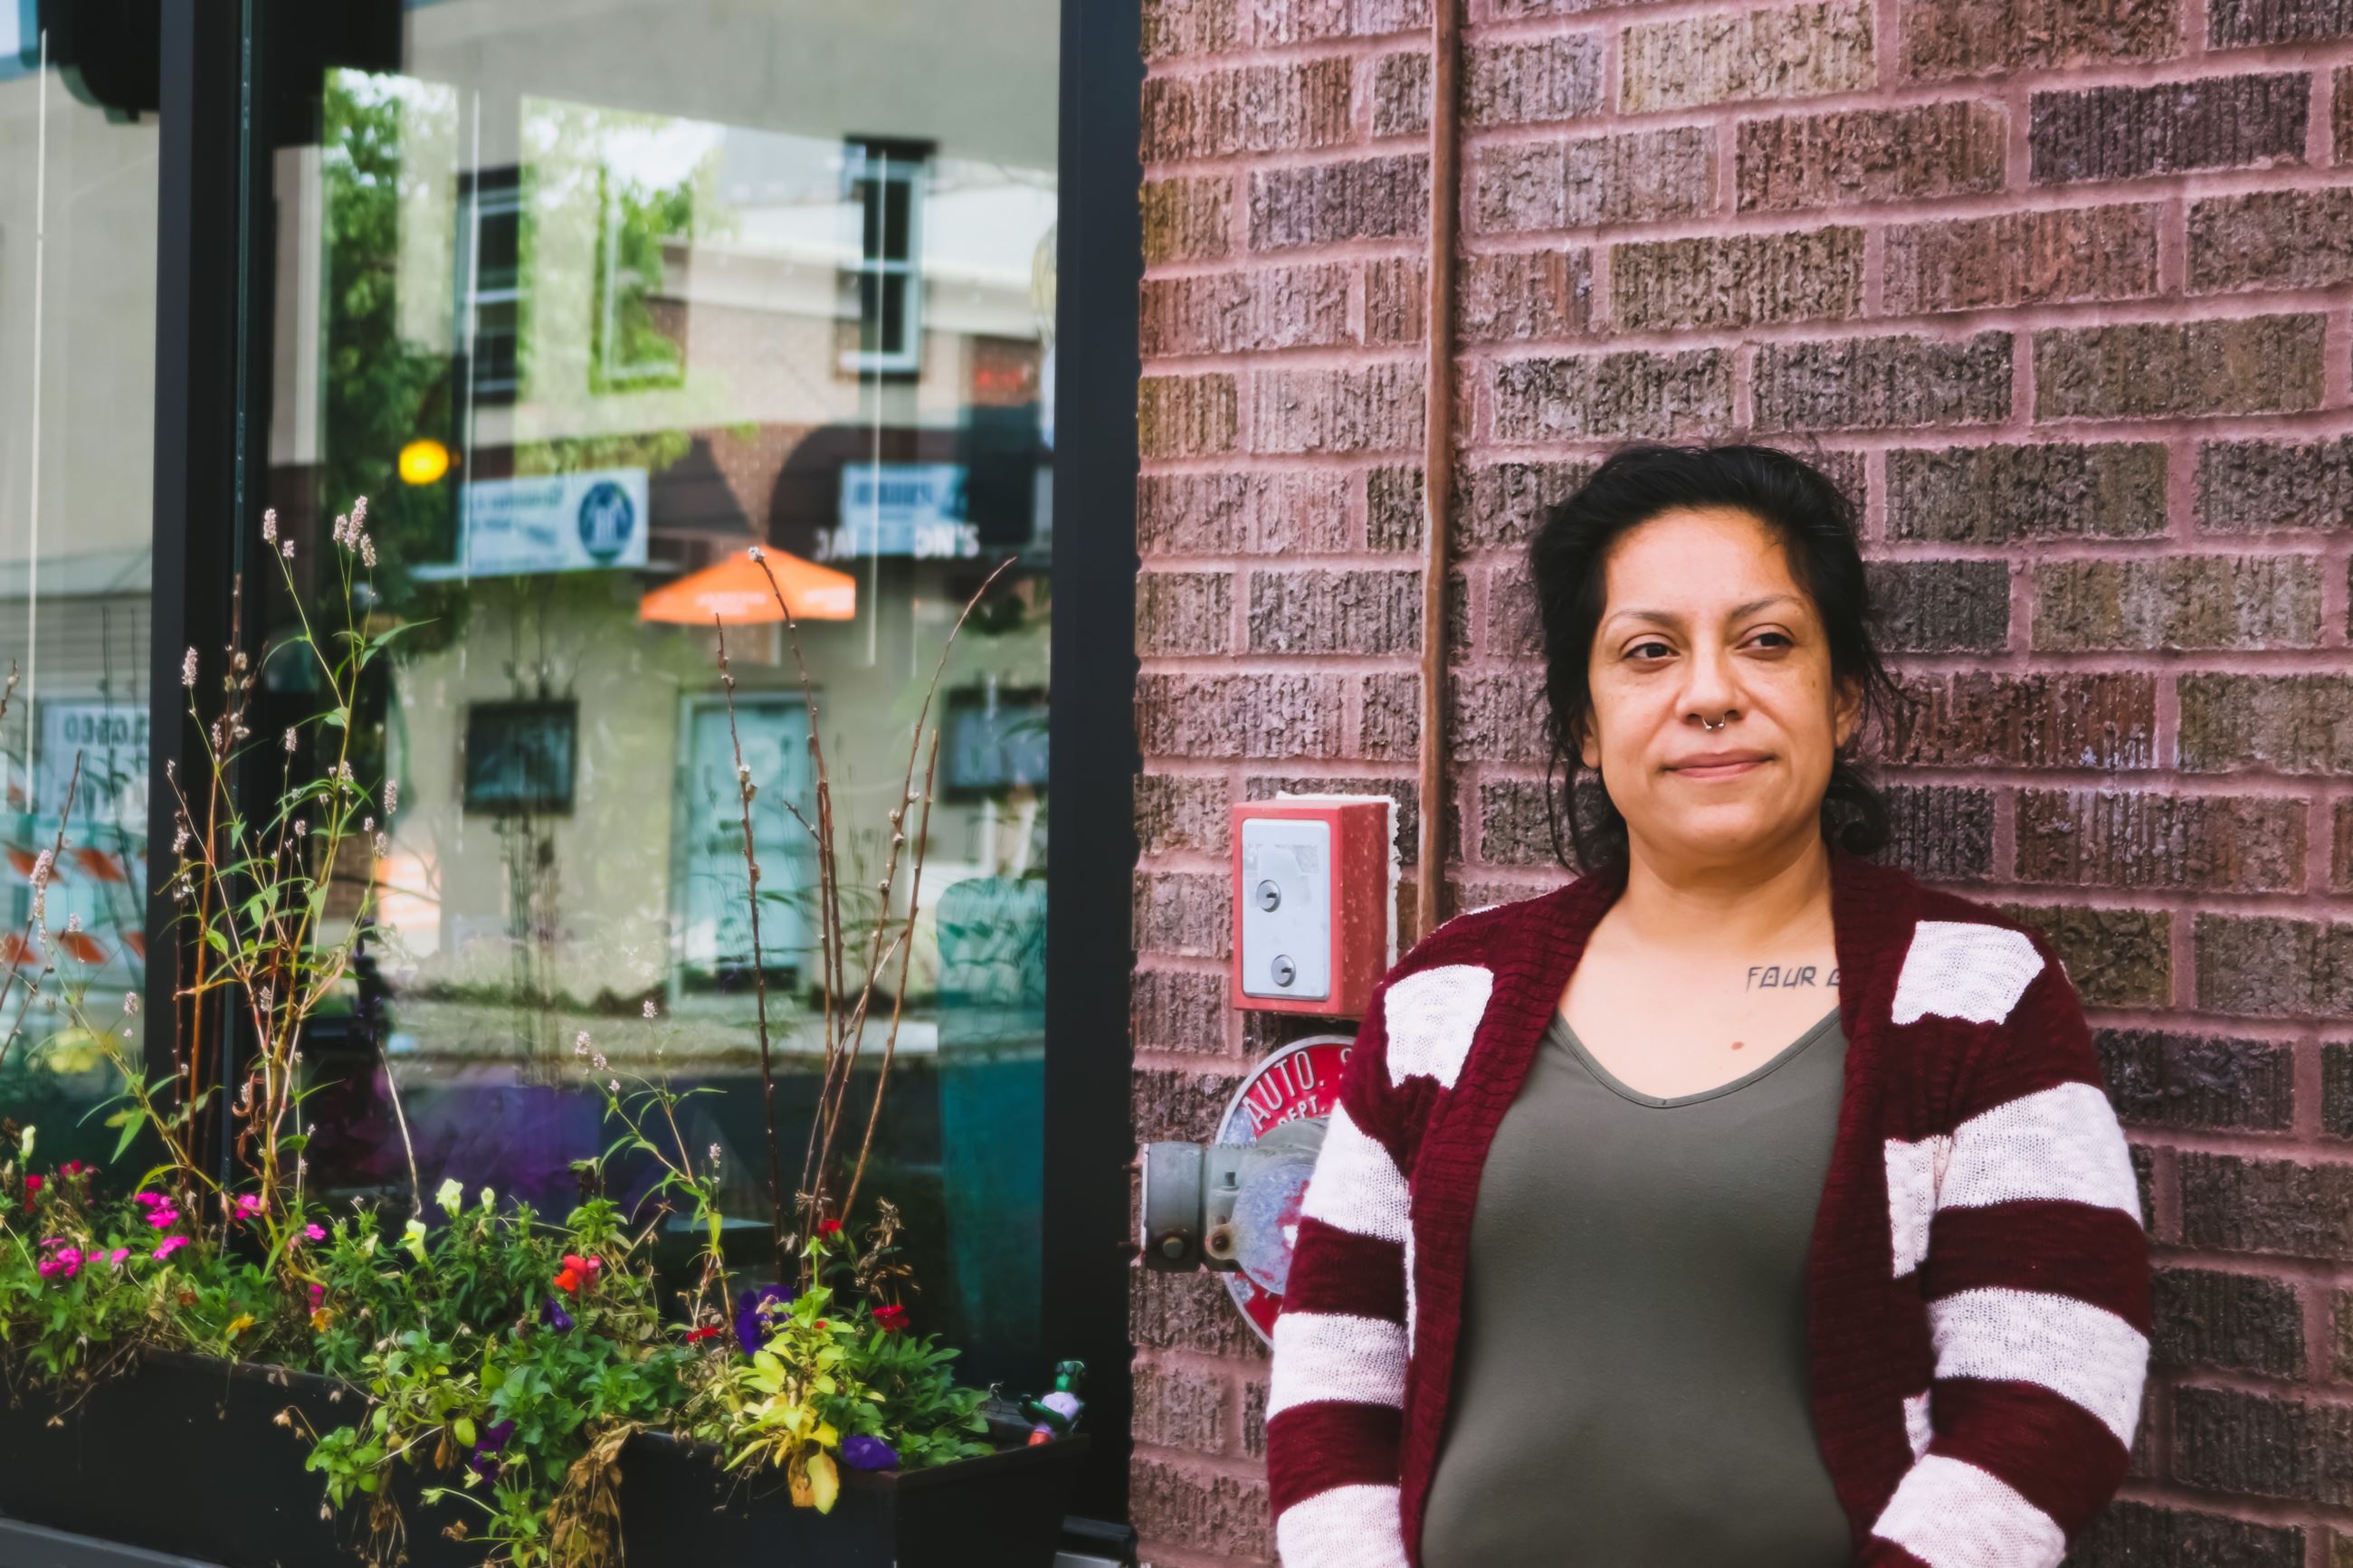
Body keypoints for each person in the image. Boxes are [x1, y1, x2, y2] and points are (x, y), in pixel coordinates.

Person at [1263, 444, 2148, 1568]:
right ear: (1584, 721)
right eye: (1646, 652)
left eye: (1765, 641)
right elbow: (1334, 1365)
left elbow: (2051, 1387)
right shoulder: (1446, 995)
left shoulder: (1971, 993)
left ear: (1838, 700)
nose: (1710, 693)